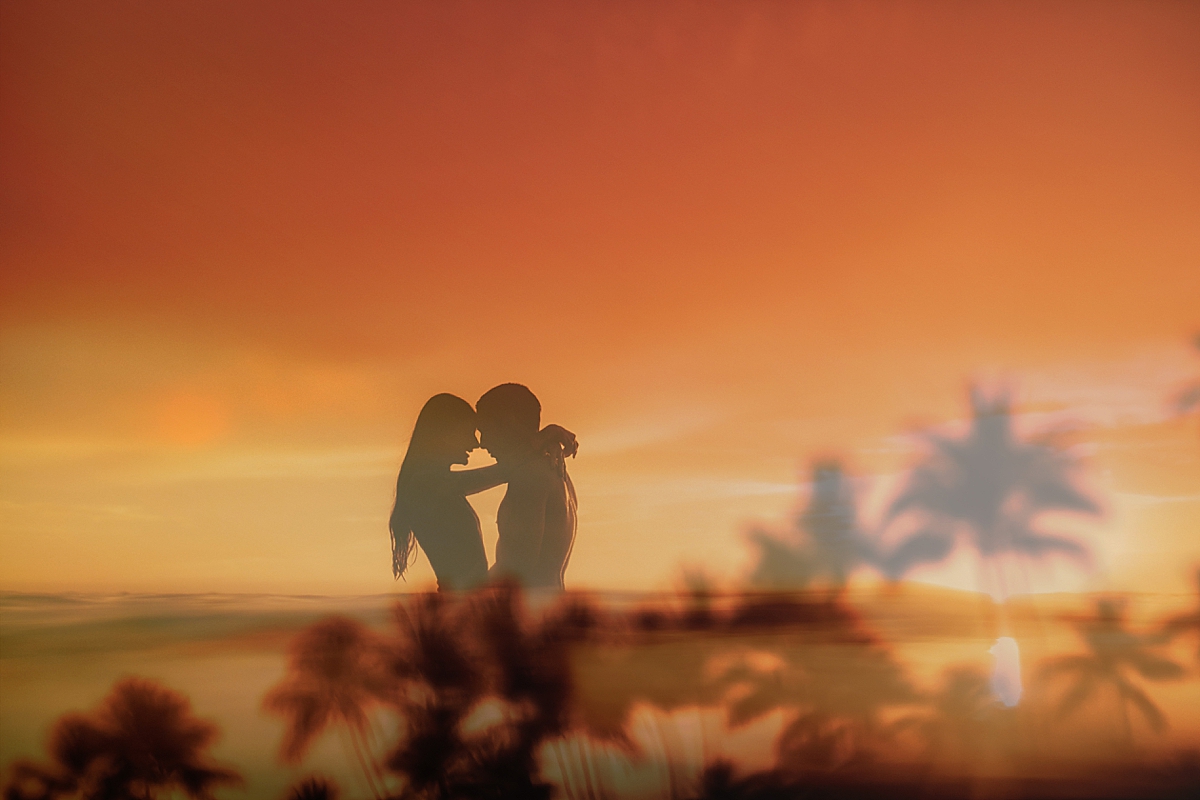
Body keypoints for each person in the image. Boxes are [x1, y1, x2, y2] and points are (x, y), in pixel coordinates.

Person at [389, 393, 575, 592]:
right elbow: (501, 472)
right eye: (469, 432)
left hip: (468, 603)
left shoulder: (436, 484)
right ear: (444, 434)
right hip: (462, 604)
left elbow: (511, 570)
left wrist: (541, 444)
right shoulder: (424, 483)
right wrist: (541, 440)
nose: (477, 443)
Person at [476, 384, 578, 590]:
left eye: (485, 430)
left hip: (529, 614)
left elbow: (515, 573)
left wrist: (464, 598)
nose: (482, 443)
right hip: (549, 606)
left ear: (508, 423)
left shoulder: (530, 479)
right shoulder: (556, 473)